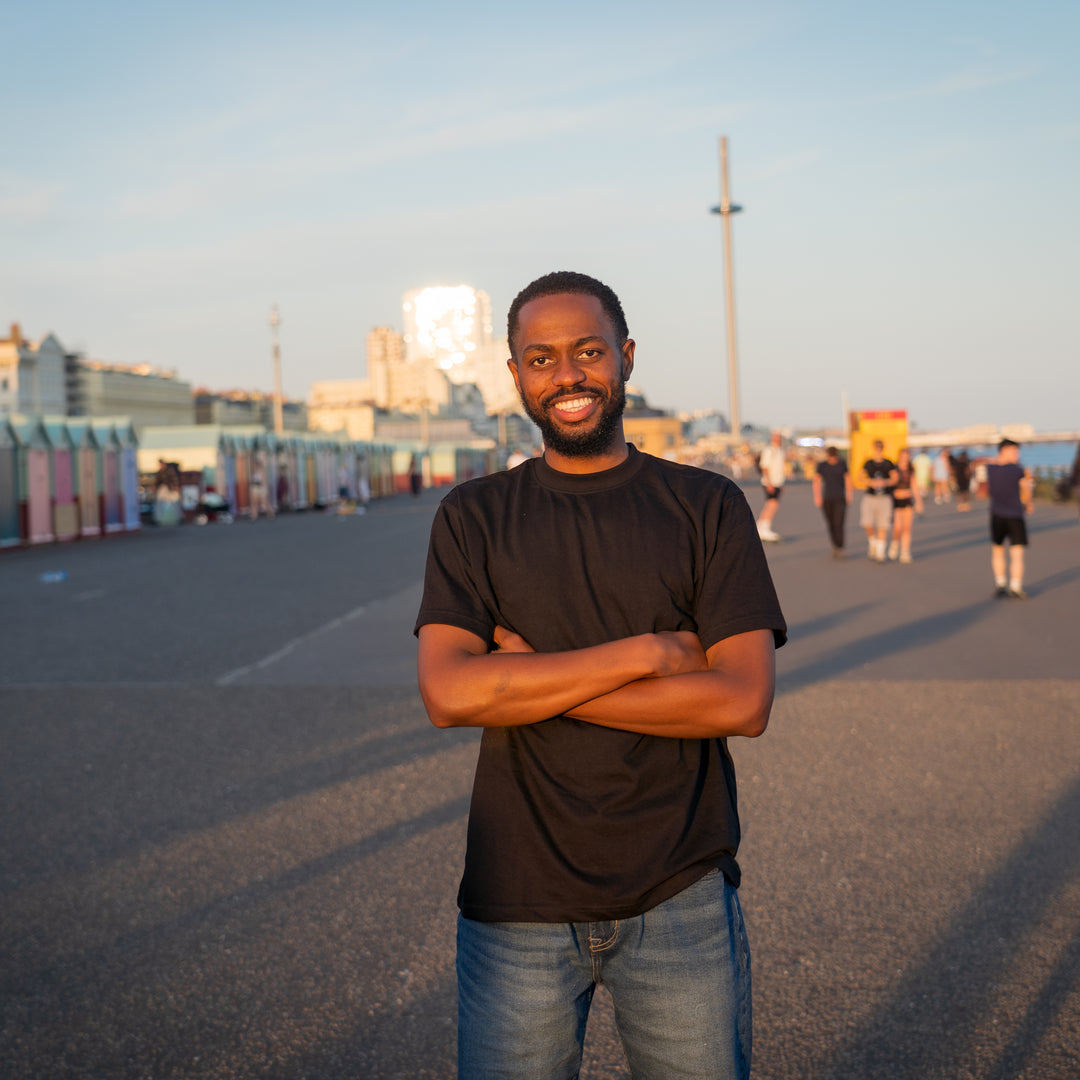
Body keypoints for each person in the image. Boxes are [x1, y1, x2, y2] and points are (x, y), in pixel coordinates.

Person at [415, 271, 787, 1080]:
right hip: (516, 900)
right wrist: (647, 655)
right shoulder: (473, 516)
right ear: (515, 376)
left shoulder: (706, 506)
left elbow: (743, 701)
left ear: (623, 357)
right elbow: (448, 693)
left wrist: (526, 684)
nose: (568, 376)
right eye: (540, 359)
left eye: (587, 352)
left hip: (679, 891)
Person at [987, 438, 1033, 599]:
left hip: (1004, 514)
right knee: (1008, 550)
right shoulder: (1017, 470)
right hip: (1011, 515)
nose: (1017, 454)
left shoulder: (991, 467)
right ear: (1004, 450)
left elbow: (979, 463)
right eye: (1014, 451)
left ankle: (1007, 585)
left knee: (1007, 550)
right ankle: (1011, 586)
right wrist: (1028, 503)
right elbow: (1026, 488)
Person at [859, 440, 898, 562]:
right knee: (867, 522)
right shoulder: (868, 463)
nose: (878, 450)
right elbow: (860, 477)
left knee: (883, 524)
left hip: (884, 497)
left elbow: (895, 478)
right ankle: (873, 542)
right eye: (877, 447)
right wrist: (870, 482)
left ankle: (880, 552)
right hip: (870, 496)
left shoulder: (888, 463)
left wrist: (885, 483)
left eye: (880, 447)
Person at [812, 445, 852, 558]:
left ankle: (840, 547)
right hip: (827, 498)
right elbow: (816, 481)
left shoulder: (842, 464)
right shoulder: (822, 466)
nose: (833, 459)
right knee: (830, 523)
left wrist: (849, 494)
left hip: (840, 497)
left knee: (839, 523)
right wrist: (817, 497)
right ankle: (834, 545)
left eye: (834, 456)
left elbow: (847, 479)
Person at [888, 447, 924, 562]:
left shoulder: (910, 469)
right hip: (897, 501)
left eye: (907, 456)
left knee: (907, 528)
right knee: (897, 527)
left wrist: (919, 501)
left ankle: (905, 552)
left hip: (908, 500)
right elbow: (891, 484)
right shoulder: (894, 469)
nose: (905, 458)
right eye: (903, 456)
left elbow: (914, 485)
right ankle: (895, 543)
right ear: (899, 456)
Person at [756, 431, 786, 542]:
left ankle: (761, 525)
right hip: (770, 482)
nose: (778, 440)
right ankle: (764, 527)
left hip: (778, 482)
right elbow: (764, 467)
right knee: (772, 504)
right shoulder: (769, 450)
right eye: (776, 438)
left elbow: (781, 468)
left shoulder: (780, 451)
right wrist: (768, 483)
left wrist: (782, 483)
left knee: (772, 504)